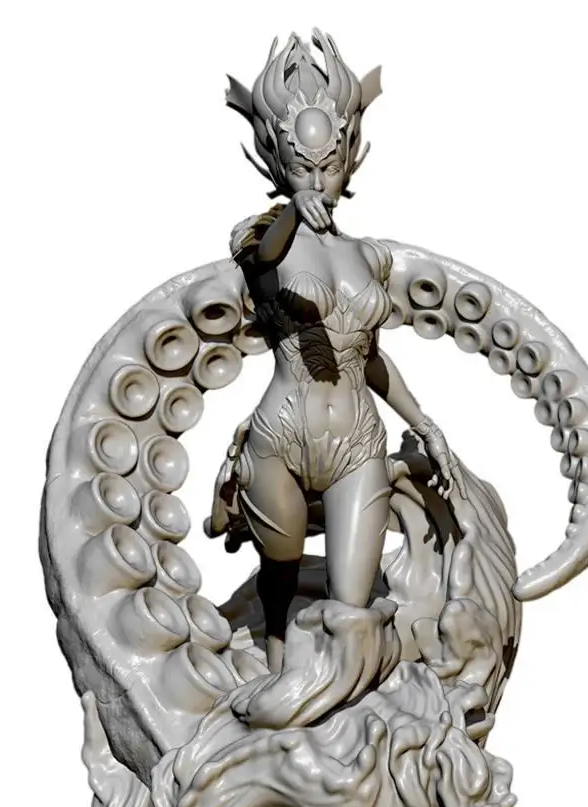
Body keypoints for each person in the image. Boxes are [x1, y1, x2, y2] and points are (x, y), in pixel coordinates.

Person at [206, 31, 456, 675]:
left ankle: (343, 706)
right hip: (283, 436)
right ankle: (274, 662)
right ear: (280, 166)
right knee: (281, 573)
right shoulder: (262, 236)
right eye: (303, 168)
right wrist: (292, 213)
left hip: (358, 441)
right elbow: (265, 258)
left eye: (328, 167)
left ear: (348, 159)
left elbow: (370, 357)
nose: (318, 181)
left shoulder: (367, 256)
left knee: (353, 609)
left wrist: (424, 423)